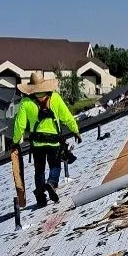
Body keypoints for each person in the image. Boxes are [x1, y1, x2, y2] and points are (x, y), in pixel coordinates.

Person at [11, 72, 80, 206]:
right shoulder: (55, 98)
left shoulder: (26, 102)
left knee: (39, 170)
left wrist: (15, 141)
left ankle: (41, 198)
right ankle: (52, 183)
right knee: (55, 165)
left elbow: (19, 125)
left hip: (37, 143)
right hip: (54, 141)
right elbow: (67, 117)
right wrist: (76, 131)